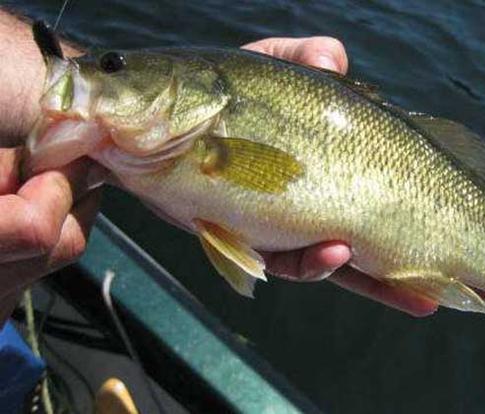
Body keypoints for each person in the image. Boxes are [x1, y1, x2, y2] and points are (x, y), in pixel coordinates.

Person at [0, 9, 437, 328]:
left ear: (200, 94)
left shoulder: (187, 145)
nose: (103, 71)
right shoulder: (166, 144)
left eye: (112, 66)